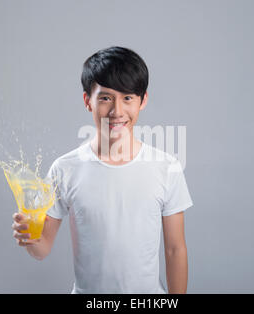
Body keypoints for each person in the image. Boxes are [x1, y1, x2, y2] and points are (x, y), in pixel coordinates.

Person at [11, 46, 194, 294]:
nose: (117, 111)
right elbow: (42, 250)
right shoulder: (65, 169)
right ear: (88, 101)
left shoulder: (166, 167)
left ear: (143, 100)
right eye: (106, 98)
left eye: (128, 98)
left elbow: (175, 249)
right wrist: (29, 237)